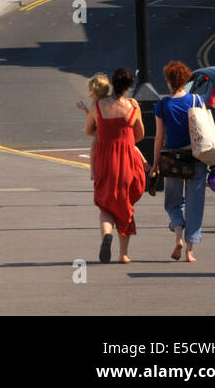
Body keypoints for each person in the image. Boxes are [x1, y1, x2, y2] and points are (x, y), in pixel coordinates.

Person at [83, 69, 148, 264]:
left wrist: (104, 132)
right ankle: (124, 254)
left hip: (104, 160)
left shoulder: (98, 106)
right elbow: (140, 135)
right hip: (127, 160)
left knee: (105, 203)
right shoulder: (132, 106)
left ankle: (106, 234)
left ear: (112, 82)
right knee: (124, 202)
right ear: (129, 86)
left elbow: (88, 130)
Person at [152, 60, 207, 263]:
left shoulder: (163, 105)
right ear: (186, 80)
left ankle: (178, 237)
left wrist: (155, 164)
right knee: (195, 205)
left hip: (172, 159)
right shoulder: (197, 101)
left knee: (173, 203)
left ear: (168, 81)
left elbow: (159, 137)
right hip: (196, 158)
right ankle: (190, 252)